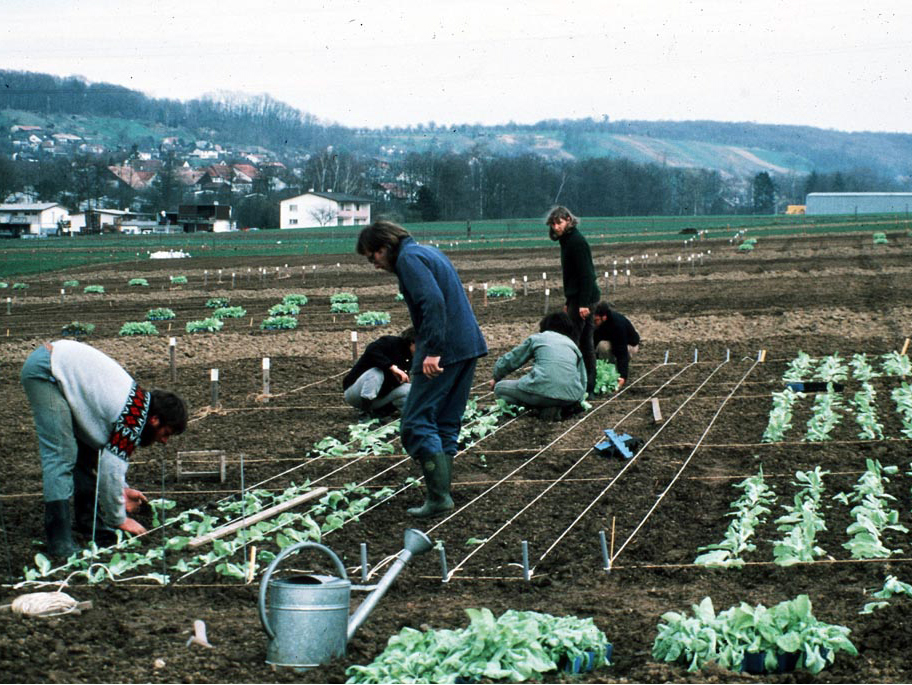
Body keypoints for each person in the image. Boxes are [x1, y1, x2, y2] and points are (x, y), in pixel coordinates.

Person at [357, 220, 487, 518]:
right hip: (467, 345)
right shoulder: (428, 252)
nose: (374, 264)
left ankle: (439, 497)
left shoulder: (409, 259)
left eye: (373, 256)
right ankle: (442, 496)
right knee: (445, 420)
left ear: (385, 247)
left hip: (445, 351)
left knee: (415, 422)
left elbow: (433, 303)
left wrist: (433, 351)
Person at [20, 339, 188, 558]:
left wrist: (122, 490)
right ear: (155, 420)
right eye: (166, 433)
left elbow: (106, 457)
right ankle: (59, 541)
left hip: (57, 364)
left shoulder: (138, 407)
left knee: (85, 453)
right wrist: (120, 519)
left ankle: (88, 524)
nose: (164, 441)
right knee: (61, 454)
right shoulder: (133, 416)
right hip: (46, 371)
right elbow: (111, 469)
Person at [490, 312, 587, 420]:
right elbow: (583, 378)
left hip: (541, 394)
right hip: (569, 398)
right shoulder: (572, 345)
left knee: (500, 388)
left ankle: (540, 407)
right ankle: (559, 407)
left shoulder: (538, 338)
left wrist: (496, 377)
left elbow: (513, 359)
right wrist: (578, 398)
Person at [547, 206, 600, 397]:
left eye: (559, 223)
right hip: (577, 298)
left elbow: (587, 275)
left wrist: (583, 303)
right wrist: (569, 300)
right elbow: (572, 276)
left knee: (573, 343)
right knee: (585, 342)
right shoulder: (567, 241)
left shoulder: (577, 242)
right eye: (553, 224)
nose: (556, 227)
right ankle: (588, 386)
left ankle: (574, 385)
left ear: (568, 220)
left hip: (584, 299)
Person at [343, 327, 416, 417]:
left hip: (378, 398)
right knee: (376, 373)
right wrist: (392, 367)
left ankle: (382, 412)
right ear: (412, 342)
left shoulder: (410, 358)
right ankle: (364, 414)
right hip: (354, 392)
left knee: (409, 389)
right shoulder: (391, 342)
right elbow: (371, 350)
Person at [593, 301, 641, 389]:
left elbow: (622, 352)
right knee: (601, 346)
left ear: (604, 317)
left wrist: (623, 376)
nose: (594, 323)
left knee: (603, 347)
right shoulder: (598, 323)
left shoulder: (617, 325)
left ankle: (612, 372)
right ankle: (607, 370)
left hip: (629, 345)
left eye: (596, 320)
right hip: (611, 341)